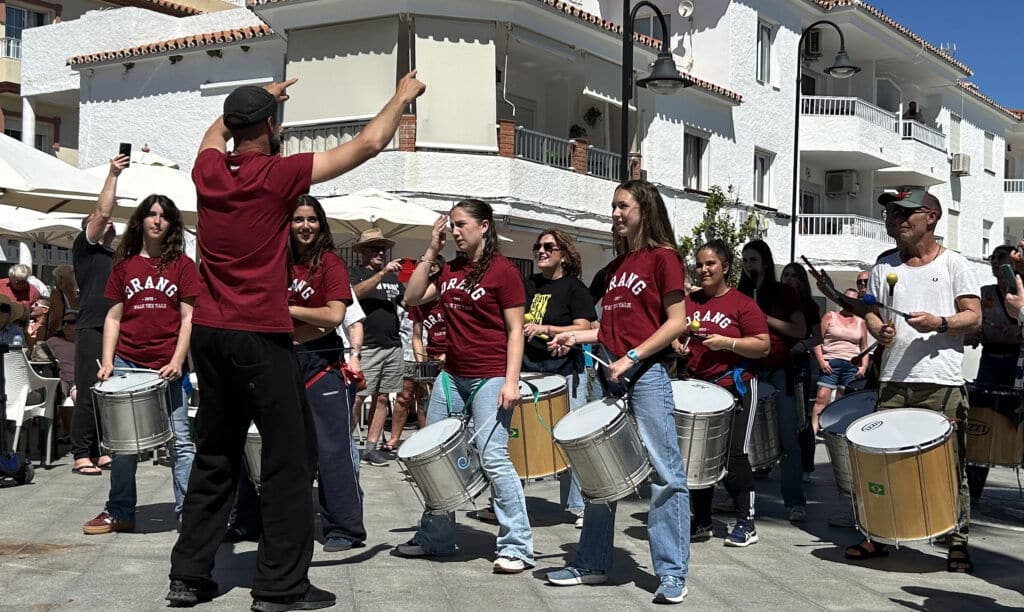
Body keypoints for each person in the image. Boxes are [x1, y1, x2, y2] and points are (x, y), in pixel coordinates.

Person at [167, 72, 425, 610]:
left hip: (210, 336)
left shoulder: (208, 170)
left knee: (214, 453)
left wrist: (257, 102)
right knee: (290, 458)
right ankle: (279, 588)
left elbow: (212, 135)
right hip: (260, 336)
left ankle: (189, 577)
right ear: (270, 126)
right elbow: (369, 144)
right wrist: (400, 97)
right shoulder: (279, 174)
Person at [545, 180, 690, 604]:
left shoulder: (665, 258)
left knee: (666, 475)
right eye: (613, 206)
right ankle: (592, 562)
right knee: (598, 473)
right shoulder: (619, 266)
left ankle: (672, 572)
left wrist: (632, 356)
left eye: (622, 205)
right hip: (609, 375)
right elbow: (608, 327)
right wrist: (576, 338)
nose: (615, 213)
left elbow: (677, 321)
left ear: (644, 208)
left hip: (646, 377)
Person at [846, 188, 980, 573]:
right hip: (892, 379)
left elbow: (973, 316)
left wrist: (940, 323)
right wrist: (879, 331)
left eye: (906, 212)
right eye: (891, 212)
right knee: (880, 461)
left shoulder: (955, 264)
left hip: (941, 382)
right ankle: (878, 534)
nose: (896, 219)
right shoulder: (883, 263)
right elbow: (871, 313)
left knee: (951, 464)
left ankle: (957, 541)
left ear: (931, 217)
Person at [397, 199, 535, 575]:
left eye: (461, 225)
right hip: (451, 376)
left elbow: (515, 332)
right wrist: (431, 249)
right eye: (452, 226)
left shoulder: (503, 272)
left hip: (490, 376)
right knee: (435, 457)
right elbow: (410, 298)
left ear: (484, 226)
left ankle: (517, 546)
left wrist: (511, 381)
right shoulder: (451, 270)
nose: (455, 231)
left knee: (493, 458)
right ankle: (437, 537)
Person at [83, 194, 200, 535]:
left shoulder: (183, 265)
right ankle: (120, 511)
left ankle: (189, 516)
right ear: (141, 221)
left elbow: (189, 317)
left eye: (164, 216)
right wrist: (107, 363)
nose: (157, 220)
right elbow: (114, 317)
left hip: (168, 366)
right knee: (123, 445)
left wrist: (179, 361)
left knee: (181, 442)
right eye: (151, 214)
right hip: (127, 363)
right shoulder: (124, 265)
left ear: (172, 224)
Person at [676, 240, 770, 546]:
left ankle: (746, 521)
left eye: (710, 264)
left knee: (734, 455)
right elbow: (676, 334)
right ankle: (701, 521)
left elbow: (762, 345)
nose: (703, 270)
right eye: (699, 264)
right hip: (699, 388)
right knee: (698, 455)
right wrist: (677, 344)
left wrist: (727, 343)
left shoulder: (743, 304)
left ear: (725, 267)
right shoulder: (689, 303)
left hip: (736, 385)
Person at [287, 194, 364, 553]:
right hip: (285, 364)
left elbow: (334, 317)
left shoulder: (330, 263)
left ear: (321, 224)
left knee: (332, 451)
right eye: (298, 219)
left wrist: (288, 312)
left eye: (312, 220)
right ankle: (267, 521)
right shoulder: (279, 261)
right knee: (285, 452)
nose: (305, 226)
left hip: (322, 366)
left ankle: (345, 528)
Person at [523, 229, 595, 525]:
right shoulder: (530, 285)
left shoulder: (574, 288)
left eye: (548, 247)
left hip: (567, 372)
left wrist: (546, 329)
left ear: (563, 253)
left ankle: (577, 505)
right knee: (524, 436)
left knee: (571, 438)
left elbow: (583, 325)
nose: (541, 251)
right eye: (537, 246)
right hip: (531, 369)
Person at [738, 240, 808, 523]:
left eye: (753, 260)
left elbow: (800, 329)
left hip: (779, 371)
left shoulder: (783, 293)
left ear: (765, 262)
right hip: (749, 370)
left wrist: (764, 319)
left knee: (788, 438)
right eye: (744, 261)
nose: (749, 265)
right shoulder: (740, 294)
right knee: (741, 441)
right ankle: (739, 499)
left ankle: (795, 501)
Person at [69, 154, 126, 477]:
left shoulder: (114, 255)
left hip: (114, 327)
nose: (105, 222)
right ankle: (81, 453)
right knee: (90, 389)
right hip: (92, 325)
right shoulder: (86, 248)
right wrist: (113, 173)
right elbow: (104, 211)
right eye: (98, 221)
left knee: (109, 392)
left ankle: (100, 449)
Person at [963, 245, 1020, 499]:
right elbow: (976, 326)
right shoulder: (984, 293)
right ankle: (973, 488)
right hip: (990, 358)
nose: (995, 262)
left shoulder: (1021, 291)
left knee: (1017, 422)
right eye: (992, 257)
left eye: (1001, 257)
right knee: (982, 421)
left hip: (1016, 361)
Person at [348, 228, 405, 466]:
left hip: (392, 345)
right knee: (358, 397)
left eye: (382, 248)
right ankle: (342, 444)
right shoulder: (354, 272)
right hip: (367, 345)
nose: (380, 252)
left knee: (383, 398)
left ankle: (371, 448)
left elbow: (406, 300)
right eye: (374, 248)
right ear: (362, 251)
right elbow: (353, 295)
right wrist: (382, 273)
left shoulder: (393, 277)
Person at [388, 256, 447, 450]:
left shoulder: (448, 299)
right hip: (424, 356)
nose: (429, 272)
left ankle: (429, 440)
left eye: (433, 268)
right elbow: (416, 335)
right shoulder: (419, 302)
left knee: (432, 399)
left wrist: (447, 355)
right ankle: (396, 439)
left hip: (450, 357)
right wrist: (422, 361)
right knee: (409, 395)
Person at [780, 262, 821, 483]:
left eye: (793, 275)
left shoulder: (809, 306)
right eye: (785, 275)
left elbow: (818, 337)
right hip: (777, 361)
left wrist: (803, 345)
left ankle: (806, 464)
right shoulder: (775, 303)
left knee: (800, 415)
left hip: (799, 363)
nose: (788, 279)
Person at [811, 289, 869, 433]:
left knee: (842, 400)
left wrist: (864, 366)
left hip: (851, 365)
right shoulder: (830, 316)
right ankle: (813, 430)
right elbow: (817, 340)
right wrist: (821, 362)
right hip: (831, 363)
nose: (849, 303)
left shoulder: (861, 322)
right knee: (821, 397)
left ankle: (834, 429)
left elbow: (864, 346)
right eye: (846, 299)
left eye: (853, 300)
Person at [46, 264, 80, 340]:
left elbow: (57, 316)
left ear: (60, 278)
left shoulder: (57, 294)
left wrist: (50, 332)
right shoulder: (79, 294)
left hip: (63, 335)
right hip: (78, 334)